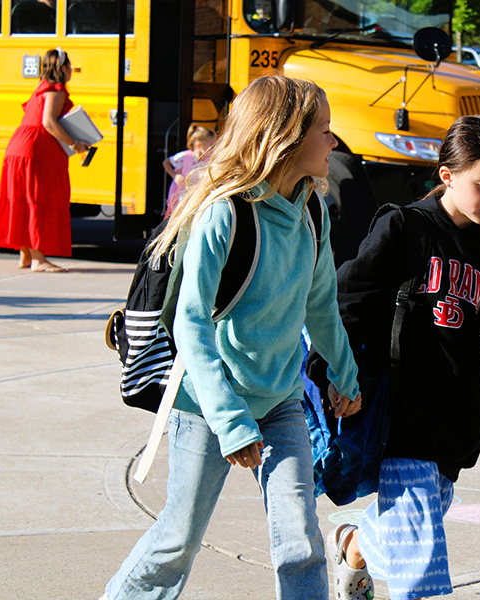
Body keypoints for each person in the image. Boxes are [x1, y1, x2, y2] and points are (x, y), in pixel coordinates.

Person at [100, 75, 362, 600]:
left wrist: (344, 374)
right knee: (177, 540)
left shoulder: (312, 210)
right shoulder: (225, 213)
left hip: (281, 400)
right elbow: (190, 324)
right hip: (207, 404)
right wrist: (230, 421)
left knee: (300, 541)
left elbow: (321, 306)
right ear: (282, 136)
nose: (334, 143)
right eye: (325, 131)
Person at [324, 115, 480, 600]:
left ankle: (352, 544)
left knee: (415, 523)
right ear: (447, 176)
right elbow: (349, 302)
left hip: (455, 417)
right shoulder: (404, 227)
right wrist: (333, 373)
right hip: (400, 411)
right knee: (420, 553)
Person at [0, 48, 89, 273]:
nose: (71, 70)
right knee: (36, 200)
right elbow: (49, 122)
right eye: (69, 66)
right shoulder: (56, 91)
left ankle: (26, 254)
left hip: (20, 147)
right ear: (61, 68)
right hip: (35, 151)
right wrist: (74, 144)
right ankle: (39, 259)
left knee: (21, 197)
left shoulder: (40, 88)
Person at [162, 124, 216, 217]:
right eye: (211, 145)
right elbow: (166, 163)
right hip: (180, 196)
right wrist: (175, 175)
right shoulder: (185, 156)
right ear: (200, 145)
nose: (214, 148)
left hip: (196, 196)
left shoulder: (208, 159)